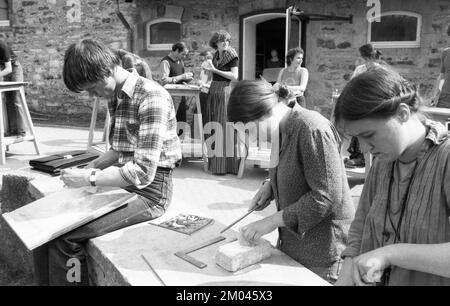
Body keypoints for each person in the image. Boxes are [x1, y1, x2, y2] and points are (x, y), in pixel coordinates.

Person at [33, 39, 182, 286]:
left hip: (151, 194)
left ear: (107, 70)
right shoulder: (117, 94)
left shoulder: (152, 96)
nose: (93, 96)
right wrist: (89, 168)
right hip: (125, 182)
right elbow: (118, 150)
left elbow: (143, 173)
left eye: (92, 88)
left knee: (65, 238)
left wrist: (89, 179)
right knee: (43, 231)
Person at [227, 80, 355, 284]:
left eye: (250, 131)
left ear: (263, 114)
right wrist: (271, 184)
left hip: (323, 255)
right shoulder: (281, 129)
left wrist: (270, 221)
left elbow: (326, 196)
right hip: (296, 247)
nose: (251, 139)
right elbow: (299, 169)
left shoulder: (312, 128)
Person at [334, 66, 450, 286]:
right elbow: (360, 227)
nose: (366, 149)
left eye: (369, 135)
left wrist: (390, 254)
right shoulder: (383, 162)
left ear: (402, 113)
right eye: (359, 139)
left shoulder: (446, 158)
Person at [203, 30, 239, 175]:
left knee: (224, 127)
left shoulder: (232, 56)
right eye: (222, 41)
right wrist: (207, 73)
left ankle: (226, 166)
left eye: (227, 41)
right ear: (216, 43)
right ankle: (216, 165)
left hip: (225, 91)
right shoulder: (216, 55)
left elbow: (235, 77)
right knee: (214, 127)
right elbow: (212, 75)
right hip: (214, 91)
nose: (225, 43)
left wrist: (214, 70)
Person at [345, 44, 384, 168]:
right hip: (362, 104)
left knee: (365, 124)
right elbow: (351, 85)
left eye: (361, 57)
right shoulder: (360, 69)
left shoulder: (380, 70)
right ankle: (357, 156)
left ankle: (363, 158)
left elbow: (382, 90)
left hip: (375, 106)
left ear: (366, 57)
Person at [160, 42, 194, 124]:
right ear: (177, 50)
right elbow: (164, 81)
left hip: (181, 96)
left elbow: (179, 79)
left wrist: (187, 80)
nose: (184, 57)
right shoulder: (166, 62)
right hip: (171, 97)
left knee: (181, 123)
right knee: (171, 122)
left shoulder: (180, 62)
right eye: (183, 54)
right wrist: (182, 76)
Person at [0, 39, 26, 137]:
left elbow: (9, 69)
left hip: (14, 69)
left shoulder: (2, 45)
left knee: (16, 99)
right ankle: (12, 130)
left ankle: (21, 131)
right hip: (3, 68)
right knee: (8, 100)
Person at [198, 50, 213, 126]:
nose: (202, 63)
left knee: (205, 115)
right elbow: (202, 80)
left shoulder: (212, 69)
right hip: (202, 93)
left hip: (208, 94)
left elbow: (212, 85)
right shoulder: (203, 70)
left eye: (202, 60)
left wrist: (203, 84)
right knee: (198, 114)